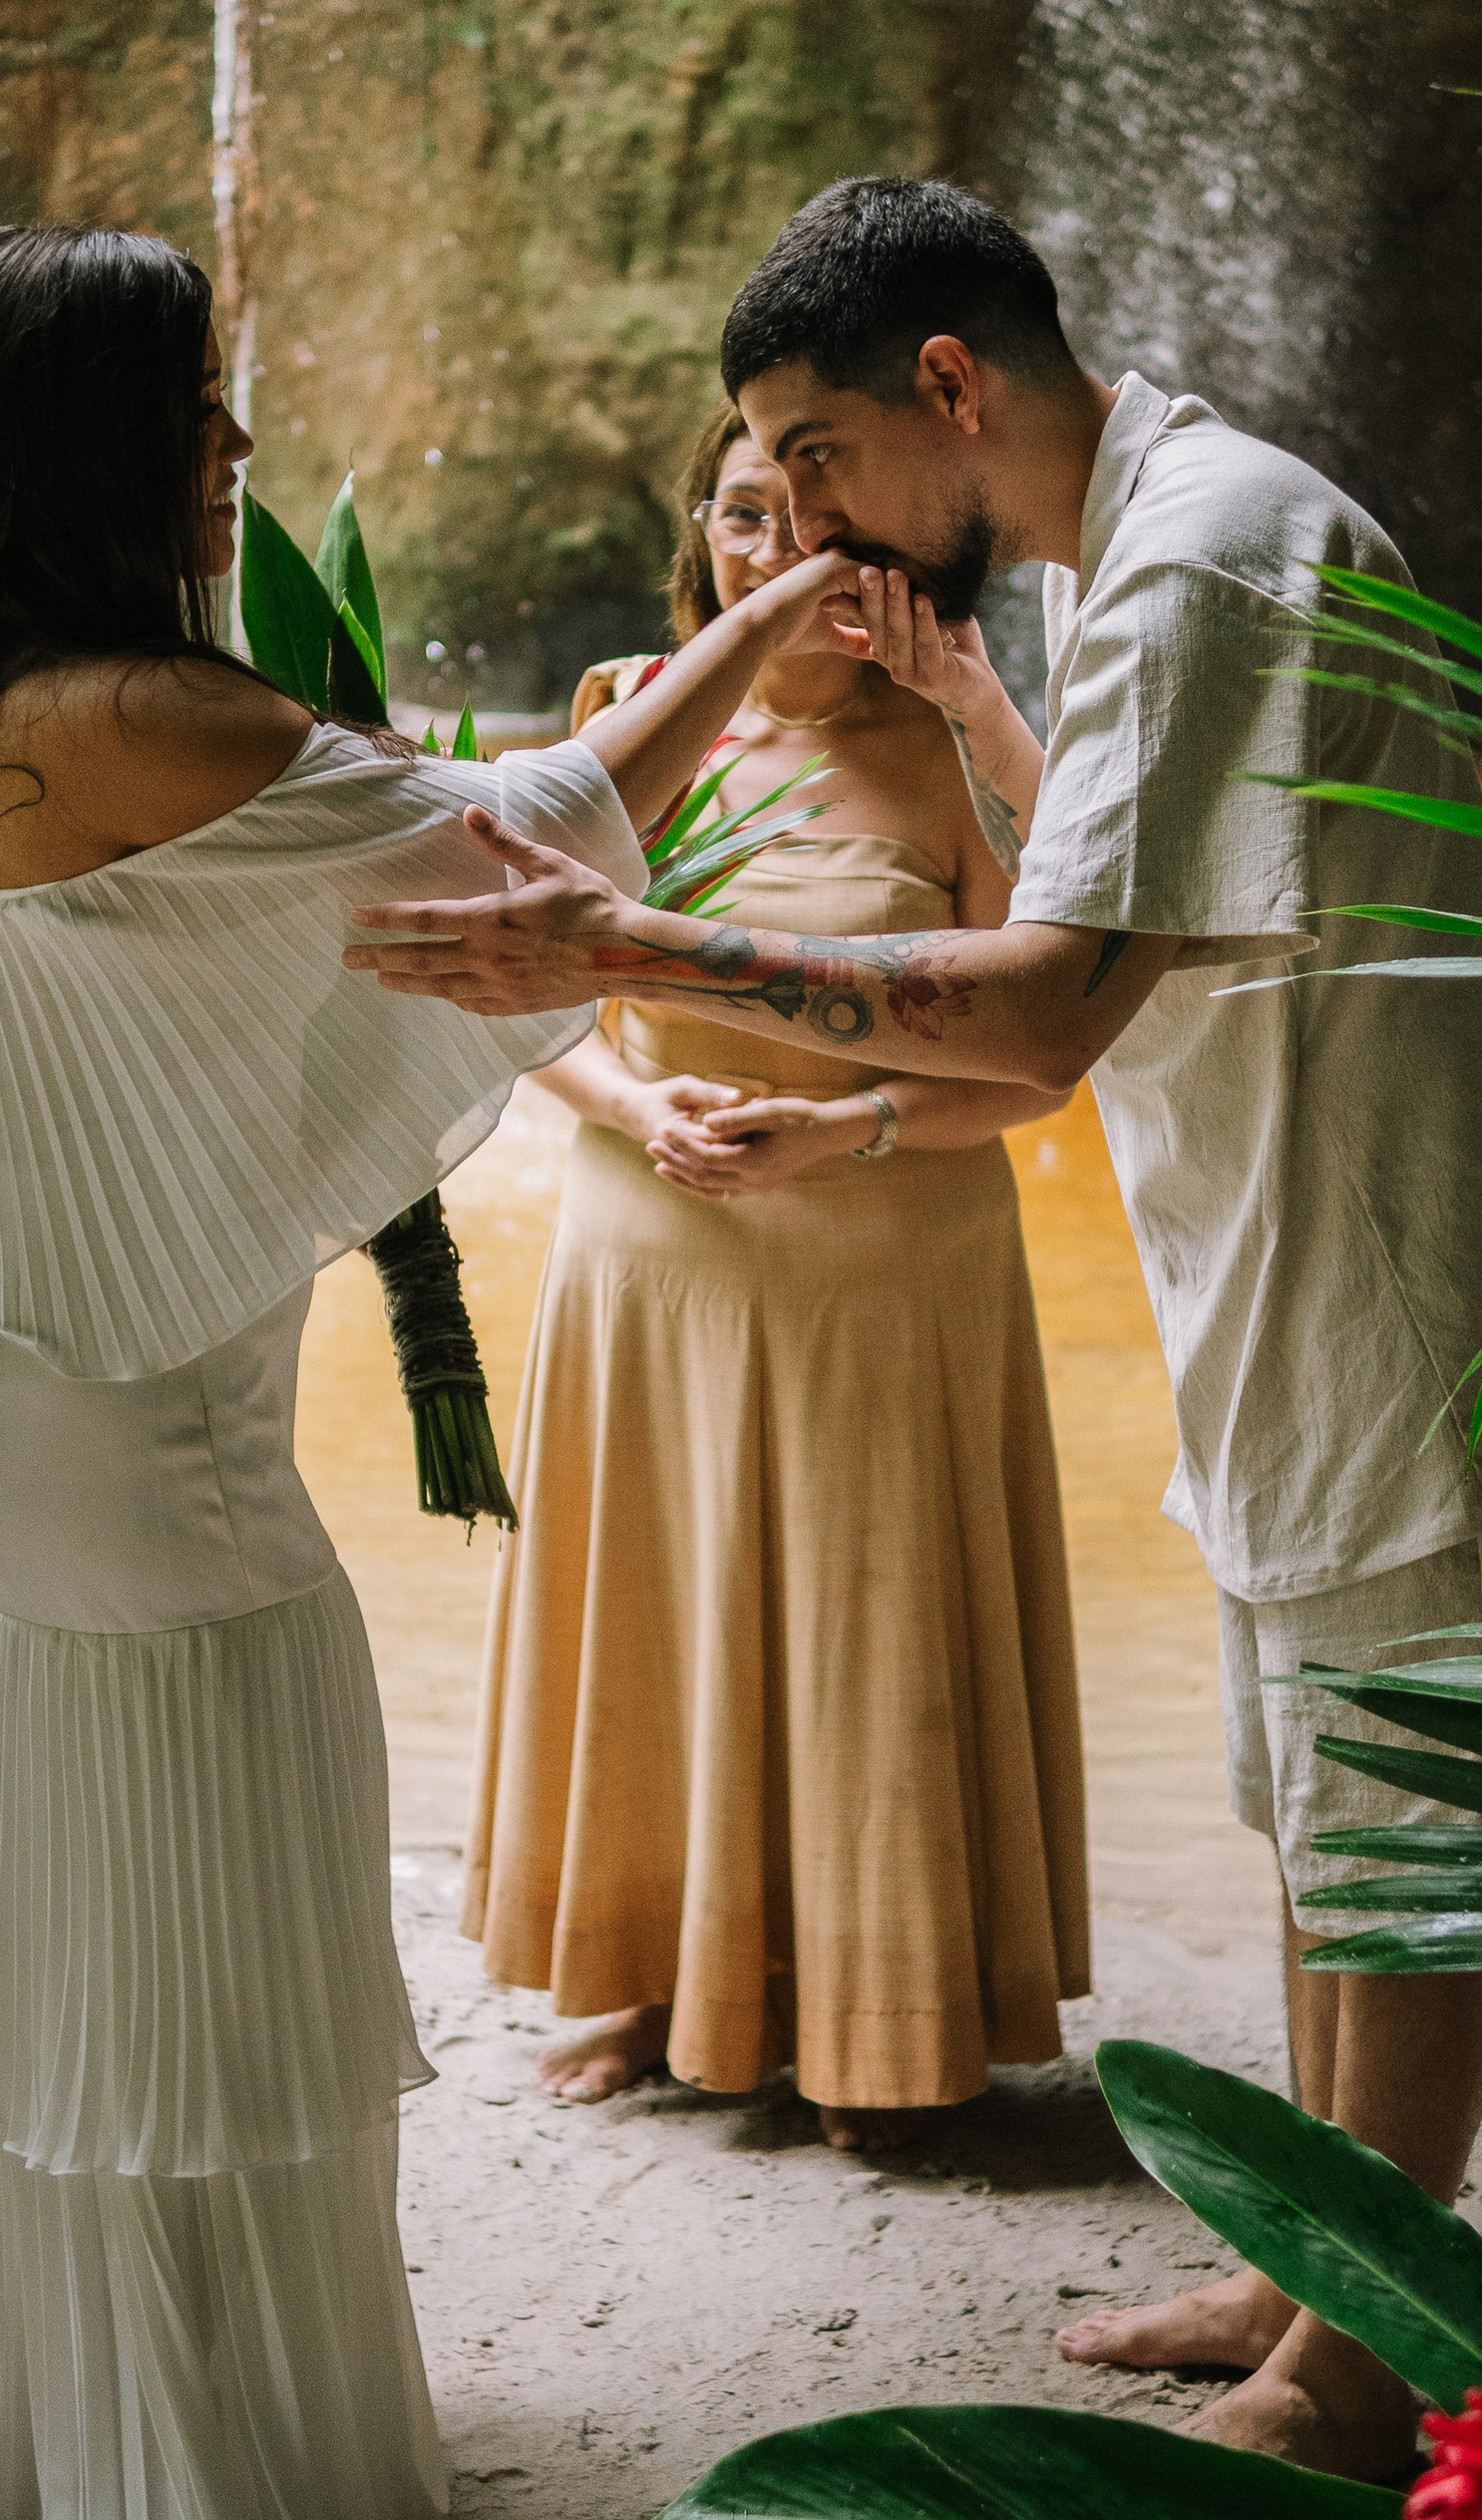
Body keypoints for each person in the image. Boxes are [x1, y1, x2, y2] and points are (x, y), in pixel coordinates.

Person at [342, 176, 1482, 2484]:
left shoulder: (1200, 558)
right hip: (1285, 1267)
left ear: (943, 389)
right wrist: (709, 1037)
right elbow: (1052, 1044)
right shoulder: (1135, 558)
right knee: (1313, 1822)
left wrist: (632, 953)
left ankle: (1351, 2380)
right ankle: (1300, 2267)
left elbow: (1045, 1004)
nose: (796, 525)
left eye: (816, 454)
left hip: (1389, 1269)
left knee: (1399, 1844)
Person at [0, 221, 863, 2520]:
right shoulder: (139, 701)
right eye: (198, 402)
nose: (235, 444)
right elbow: (523, 843)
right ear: (102, 445)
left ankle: (67, 2443)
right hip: (138, 1428)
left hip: (32, 1373)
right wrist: (772, 632)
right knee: (205, 1938)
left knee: (64, 1914)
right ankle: (199, 2505)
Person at [464, 399, 1089, 2151]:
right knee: (664, 1614)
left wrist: (848, 1130)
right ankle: (656, 1980)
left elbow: (1052, 1059)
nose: (780, 555)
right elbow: (519, 989)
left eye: (813, 527)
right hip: (651, 1252)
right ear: (702, 534)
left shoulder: (962, 743)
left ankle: (884, 2019)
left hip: (891, 1258)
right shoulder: (620, 718)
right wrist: (623, 1092)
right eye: (742, 520)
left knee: (872, 1624)